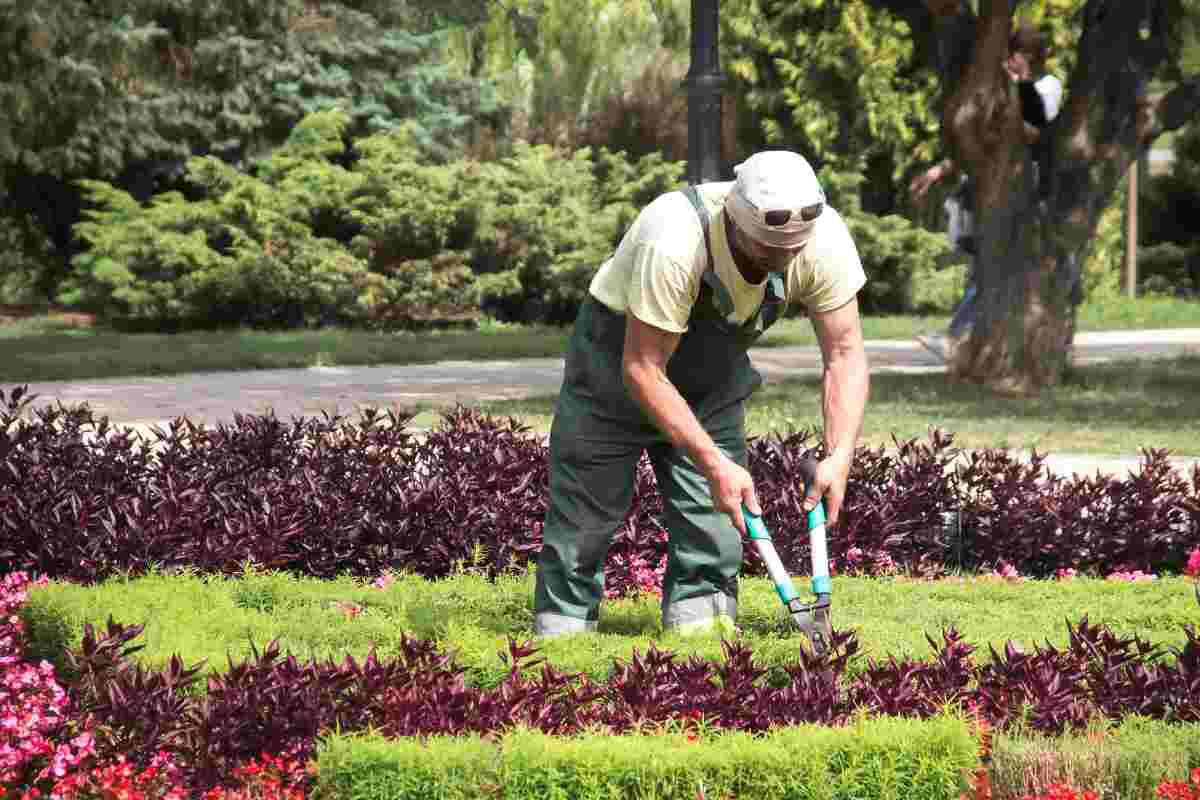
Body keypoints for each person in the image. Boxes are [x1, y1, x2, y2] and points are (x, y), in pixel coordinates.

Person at [533, 150, 870, 637]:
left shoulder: (822, 239)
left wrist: (839, 454)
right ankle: (562, 646)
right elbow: (643, 369)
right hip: (615, 374)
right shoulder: (674, 237)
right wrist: (713, 462)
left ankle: (701, 646)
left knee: (715, 528)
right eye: (767, 251)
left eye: (792, 252)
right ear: (734, 219)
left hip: (710, 385)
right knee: (584, 521)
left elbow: (844, 353)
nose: (782, 262)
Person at [911, 23, 1063, 362]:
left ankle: (959, 338)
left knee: (993, 266)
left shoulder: (1047, 87)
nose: (1011, 62)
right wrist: (937, 171)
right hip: (997, 188)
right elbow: (985, 140)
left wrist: (1017, 90)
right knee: (988, 264)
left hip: (1028, 188)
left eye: (1016, 55)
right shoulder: (1010, 90)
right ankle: (970, 340)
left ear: (1029, 57)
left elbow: (1034, 133)